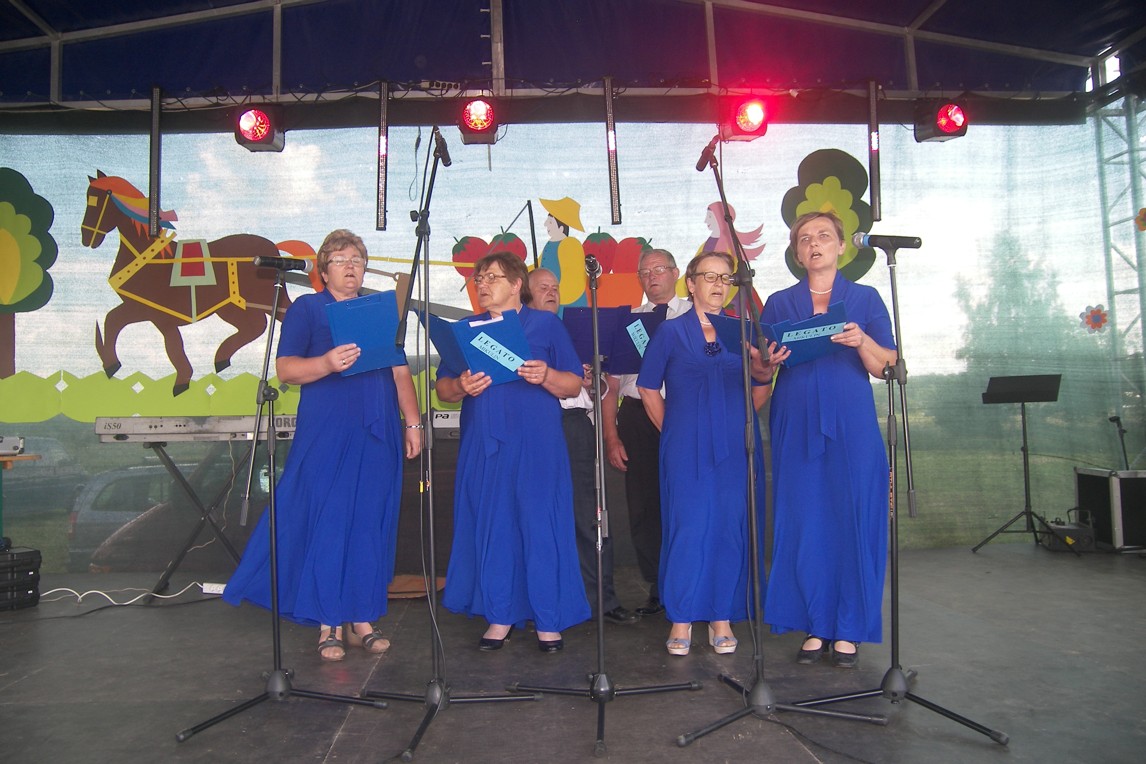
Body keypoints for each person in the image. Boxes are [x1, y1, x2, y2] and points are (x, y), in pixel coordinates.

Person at [223, 229, 423, 662]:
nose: (351, 266)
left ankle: (362, 618)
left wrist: (413, 423)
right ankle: (328, 622)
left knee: (368, 525)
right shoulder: (307, 309)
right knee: (329, 523)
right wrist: (327, 362)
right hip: (328, 431)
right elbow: (286, 370)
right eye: (341, 259)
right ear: (323, 270)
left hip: (378, 433)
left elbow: (399, 370)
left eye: (358, 259)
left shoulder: (378, 310)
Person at [760, 210, 898, 669]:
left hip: (851, 423)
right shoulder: (779, 302)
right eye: (804, 238)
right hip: (795, 420)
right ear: (797, 253)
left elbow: (887, 365)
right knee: (804, 522)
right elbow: (761, 367)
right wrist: (768, 359)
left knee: (853, 516)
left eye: (823, 236)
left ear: (841, 246)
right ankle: (815, 624)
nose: (814, 243)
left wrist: (862, 341)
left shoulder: (865, 298)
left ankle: (850, 628)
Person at [436, 252, 591, 652]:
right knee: (495, 525)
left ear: (517, 284)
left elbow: (573, 384)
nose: (483, 285)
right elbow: (443, 389)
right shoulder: (467, 329)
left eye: (492, 277)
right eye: (479, 279)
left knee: (540, 525)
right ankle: (499, 615)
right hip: (485, 443)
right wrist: (461, 386)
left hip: (537, 443)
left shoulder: (545, 324)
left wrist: (547, 375)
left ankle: (548, 619)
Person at [636, 251, 773, 655]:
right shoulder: (670, 332)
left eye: (725, 278)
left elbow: (761, 385)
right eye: (709, 276)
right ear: (691, 284)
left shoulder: (744, 330)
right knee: (689, 527)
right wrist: (675, 429)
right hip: (685, 447)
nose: (717, 284)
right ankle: (681, 618)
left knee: (730, 527)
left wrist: (738, 419)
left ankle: (721, 616)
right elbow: (647, 387)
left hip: (736, 446)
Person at [526, 268, 638, 625]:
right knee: (536, 516)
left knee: (588, 515)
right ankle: (539, 602)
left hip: (573, 426)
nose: (551, 292)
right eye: (543, 287)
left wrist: (589, 380)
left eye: (555, 287)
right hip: (533, 429)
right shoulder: (518, 333)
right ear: (523, 292)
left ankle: (600, 599)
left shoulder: (570, 333)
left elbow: (596, 391)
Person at [600, 248, 691, 616]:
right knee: (645, 505)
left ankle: (689, 581)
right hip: (637, 417)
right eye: (644, 272)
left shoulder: (695, 314)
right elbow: (610, 387)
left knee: (686, 500)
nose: (652, 276)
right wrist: (611, 436)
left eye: (659, 269)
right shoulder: (628, 322)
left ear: (676, 272)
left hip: (684, 413)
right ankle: (658, 586)